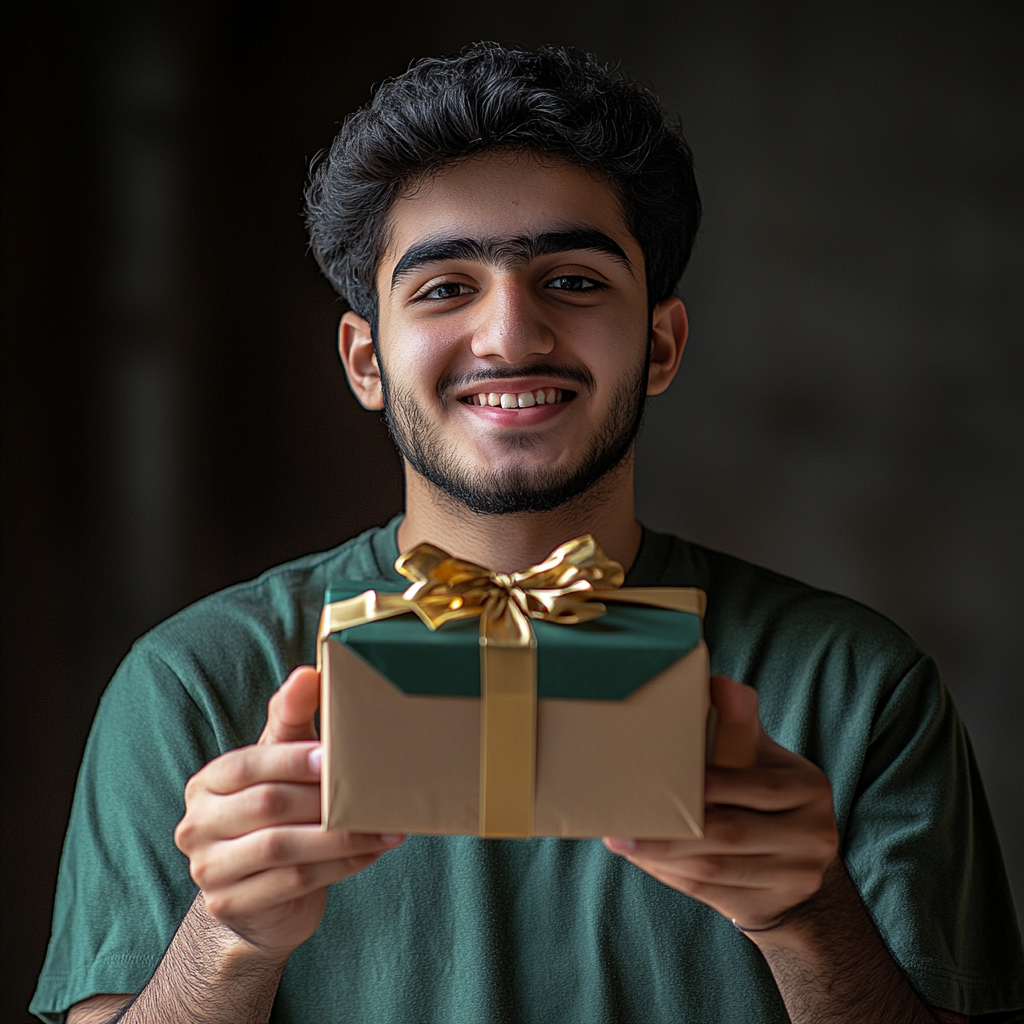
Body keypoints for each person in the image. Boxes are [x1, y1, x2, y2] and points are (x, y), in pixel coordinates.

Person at [33, 43, 1022, 1024]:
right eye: (443, 287)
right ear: (365, 360)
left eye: (575, 282)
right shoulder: (190, 682)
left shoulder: (858, 686)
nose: (510, 336)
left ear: (663, 343)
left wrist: (812, 918)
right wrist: (228, 939)